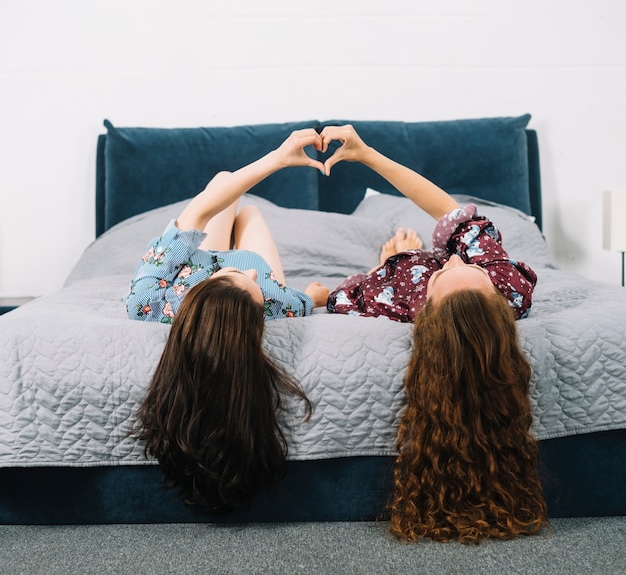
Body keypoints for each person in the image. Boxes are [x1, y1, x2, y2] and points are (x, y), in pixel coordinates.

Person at [319, 124, 548, 543]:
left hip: (393, 271)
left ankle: (389, 254)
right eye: (466, 266)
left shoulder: (408, 296)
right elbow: (449, 212)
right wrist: (368, 155)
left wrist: (384, 266)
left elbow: (337, 297)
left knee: (364, 275)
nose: (456, 262)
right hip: (418, 273)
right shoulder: (499, 284)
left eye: (451, 271)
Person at [127, 129, 330, 514]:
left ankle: (225, 250)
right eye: (251, 286)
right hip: (256, 281)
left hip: (203, 265)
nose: (251, 276)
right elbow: (303, 301)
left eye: (243, 280)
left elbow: (201, 211)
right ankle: (238, 236)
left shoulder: (149, 300)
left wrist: (277, 158)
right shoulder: (269, 297)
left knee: (226, 186)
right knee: (248, 210)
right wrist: (315, 295)